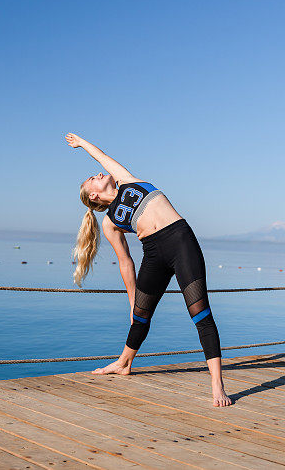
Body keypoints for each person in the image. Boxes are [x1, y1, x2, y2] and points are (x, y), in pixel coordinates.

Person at [66, 132, 232, 407]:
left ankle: (217, 384)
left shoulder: (128, 181)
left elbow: (103, 157)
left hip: (181, 243)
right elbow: (125, 261)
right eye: (92, 178)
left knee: (200, 312)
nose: (97, 173)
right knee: (140, 316)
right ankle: (123, 363)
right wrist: (132, 300)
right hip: (153, 254)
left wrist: (82, 143)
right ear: (93, 195)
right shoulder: (109, 223)